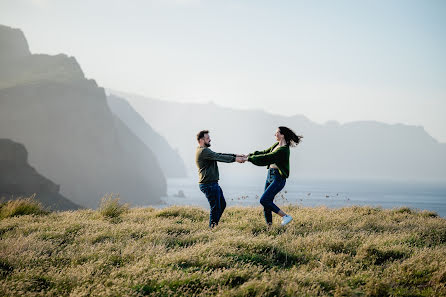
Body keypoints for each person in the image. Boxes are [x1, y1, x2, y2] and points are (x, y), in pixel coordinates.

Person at [244, 126, 303, 226]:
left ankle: (285, 216)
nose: (275, 134)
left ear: (282, 135)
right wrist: (249, 155)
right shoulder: (277, 145)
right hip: (270, 175)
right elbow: (265, 152)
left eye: (277, 133)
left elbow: (267, 158)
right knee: (266, 204)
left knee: (264, 200)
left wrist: (249, 159)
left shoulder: (283, 150)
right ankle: (269, 228)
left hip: (278, 178)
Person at [195, 130, 245, 228]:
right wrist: (235, 159)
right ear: (201, 140)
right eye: (207, 138)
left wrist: (236, 155)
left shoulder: (203, 150)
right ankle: (212, 229)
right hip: (209, 184)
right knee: (216, 208)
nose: (210, 139)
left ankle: (214, 226)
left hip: (212, 184)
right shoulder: (203, 151)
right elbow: (218, 157)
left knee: (221, 205)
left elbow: (219, 154)